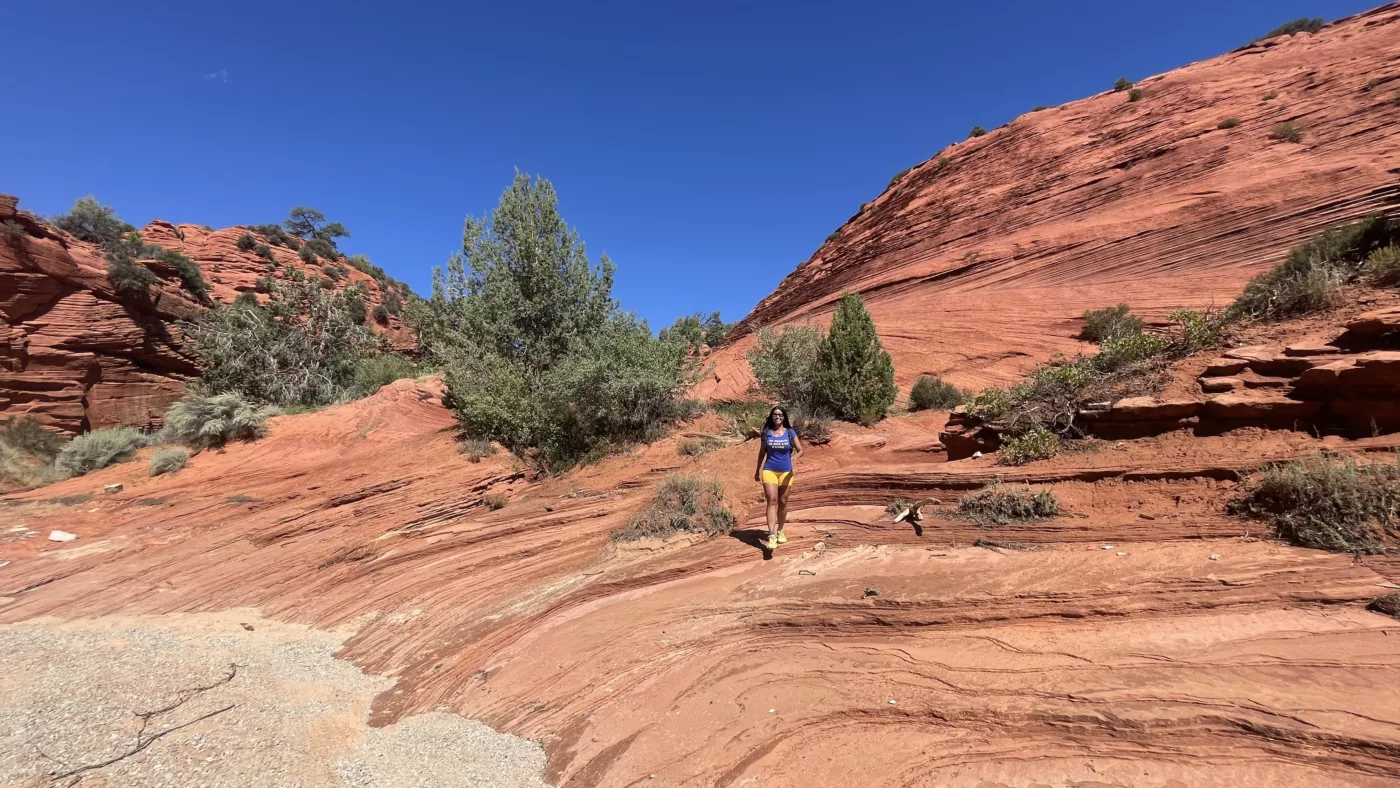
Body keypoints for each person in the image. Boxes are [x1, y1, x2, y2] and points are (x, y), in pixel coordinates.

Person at [754, 405, 802, 550]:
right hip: (769, 470)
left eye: (780, 415)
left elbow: (801, 450)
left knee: (783, 501)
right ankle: (771, 535)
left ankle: (780, 529)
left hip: (786, 472)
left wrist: (794, 458)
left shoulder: (790, 432)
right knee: (771, 500)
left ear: (784, 417)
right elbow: (762, 453)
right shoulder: (766, 433)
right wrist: (757, 471)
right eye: (775, 414)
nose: (777, 417)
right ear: (771, 416)